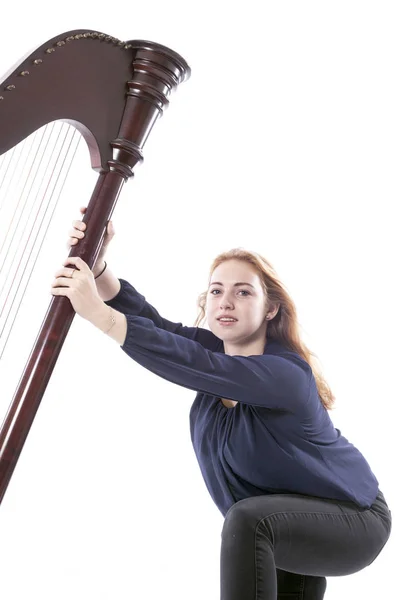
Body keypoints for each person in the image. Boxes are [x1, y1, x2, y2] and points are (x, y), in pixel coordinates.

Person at [50, 206, 392, 600]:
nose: (225, 301)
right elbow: (158, 327)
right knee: (256, 524)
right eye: (216, 291)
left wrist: (99, 315)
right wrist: (97, 267)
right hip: (284, 524)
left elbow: (194, 363)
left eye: (243, 292)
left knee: (248, 519)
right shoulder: (216, 354)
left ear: (270, 309)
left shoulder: (286, 376)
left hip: (354, 521)